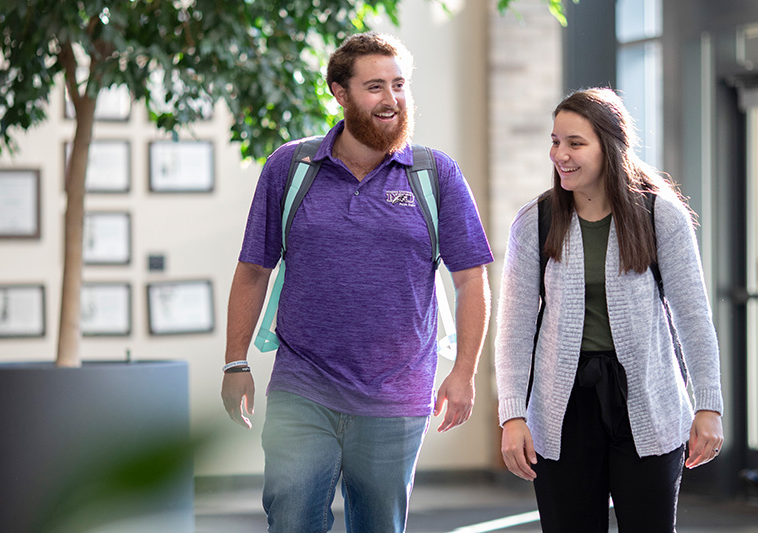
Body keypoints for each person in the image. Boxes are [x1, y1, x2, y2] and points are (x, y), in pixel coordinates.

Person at [220, 31, 493, 533]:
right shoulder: (292, 166)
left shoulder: (436, 175)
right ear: (339, 93)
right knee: (292, 520)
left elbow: (471, 279)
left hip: (398, 394)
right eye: (375, 87)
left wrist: (465, 373)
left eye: (399, 85)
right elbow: (254, 268)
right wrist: (235, 360)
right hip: (302, 386)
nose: (391, 100)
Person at [494, 87, 724, 532]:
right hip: (562, 411)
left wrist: (708, 405)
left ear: (610, 145)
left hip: (649, 402)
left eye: (575, 143)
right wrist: (513, 416)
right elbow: (515, 329)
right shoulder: (535, 220)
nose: (560, 153)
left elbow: (693, 317)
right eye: (556, 141)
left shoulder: (661, 215)